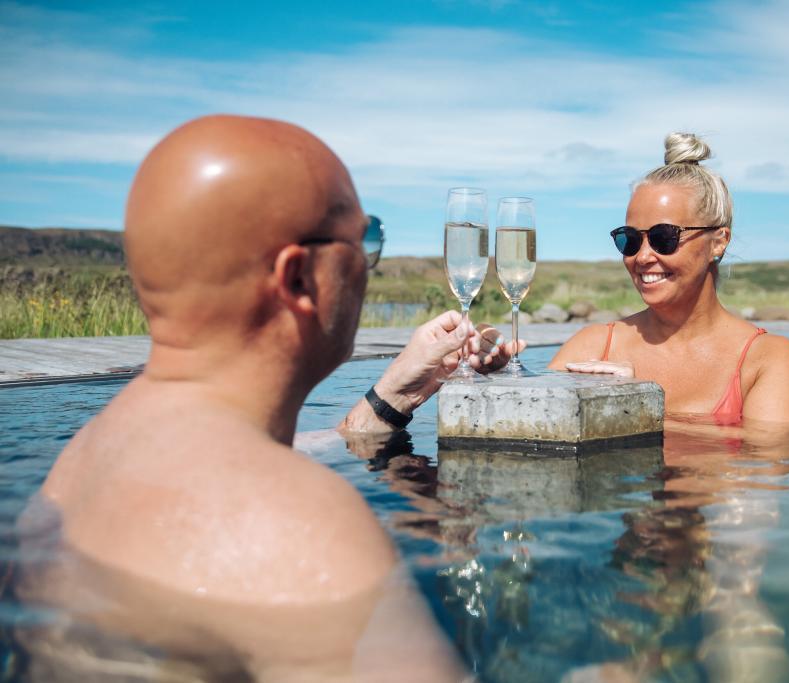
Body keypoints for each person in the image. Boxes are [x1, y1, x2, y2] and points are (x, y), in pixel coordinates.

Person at [16, 114, 504, 681]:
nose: (370, 266)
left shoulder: (84, 458)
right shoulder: (298, 526)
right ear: (298, 278)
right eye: (363, 240)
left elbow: (282, 454)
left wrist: (396, 391)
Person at [549, 132, 789, 424]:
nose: (643, 256)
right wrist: (492, 373)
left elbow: (767, 462)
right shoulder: (592, 345)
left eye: (663, 238)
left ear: (718, 242)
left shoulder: (767, 359)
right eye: (630, 240)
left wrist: (636, 407)